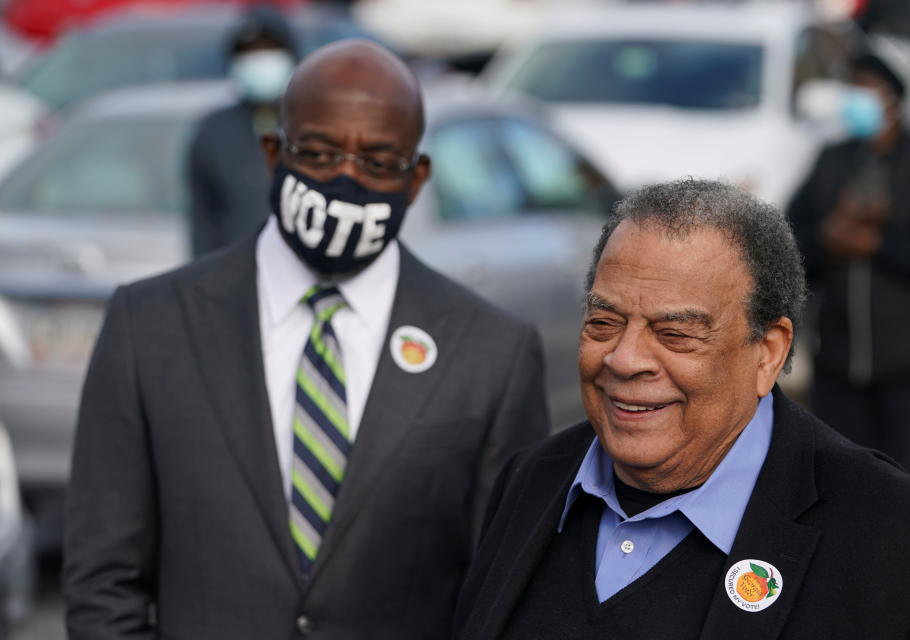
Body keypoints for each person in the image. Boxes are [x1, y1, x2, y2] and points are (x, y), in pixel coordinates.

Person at [63, 40, 549, 639]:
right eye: (319, 153)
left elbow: (501, 594)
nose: (346, 180)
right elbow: (102, 582)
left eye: (377, 161)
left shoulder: (491, 352)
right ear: (273, 154)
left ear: (417, 178)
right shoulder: (151, 325)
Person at [454, 179, 910, 640]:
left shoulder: (907, 548)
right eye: (604, 323)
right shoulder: (531, 481)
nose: (625, 359)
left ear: (768, 352)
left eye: (674, 334)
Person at [786, 38, 910, 494]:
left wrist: (879, 243)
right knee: (841, 498)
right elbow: (787, 249)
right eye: (854, 85)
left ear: (895, 97)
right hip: (839, 370)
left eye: (870, 86)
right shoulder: (830, 161)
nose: (857, 95)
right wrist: (830, 238)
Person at [187, 5, 298, 256]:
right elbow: (203, 219)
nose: (260, 61)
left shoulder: (311, 123)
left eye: (270, 51)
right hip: (234, 277)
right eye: (250, 54)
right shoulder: (214, 131)